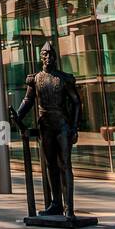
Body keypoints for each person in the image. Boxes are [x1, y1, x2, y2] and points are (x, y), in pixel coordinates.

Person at [15, 39, 82, 218]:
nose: (48, 57)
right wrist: (18, 115)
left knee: (65, 165)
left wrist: (75, 127)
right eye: (45, 55)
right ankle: (56, 204)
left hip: (62, 124)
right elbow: (28, 100)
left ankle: (69, 208)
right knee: (50, 165)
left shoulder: (64, 78)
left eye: (51, 55)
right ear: (41, 57)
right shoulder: (36, 79)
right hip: (45, 125)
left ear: (55, 57)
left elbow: (76, 102)